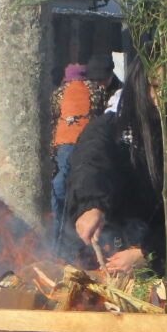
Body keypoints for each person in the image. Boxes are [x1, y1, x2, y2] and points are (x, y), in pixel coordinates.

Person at [66, 59, 167, 274]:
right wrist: (91, 206)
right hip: (102, 258)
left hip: (155, 268)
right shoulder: (108, 129)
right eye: (156, 87)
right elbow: (91, 164)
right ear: (139, 87)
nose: (163, 98)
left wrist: (149, 253)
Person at [51, 55, 112, 248]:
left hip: (63, 145)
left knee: (61, 186)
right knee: (79, 185)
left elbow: (53, 117)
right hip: (87, 146)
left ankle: (59, 240)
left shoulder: (60, 92)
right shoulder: (97, 91)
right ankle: (79, 240)